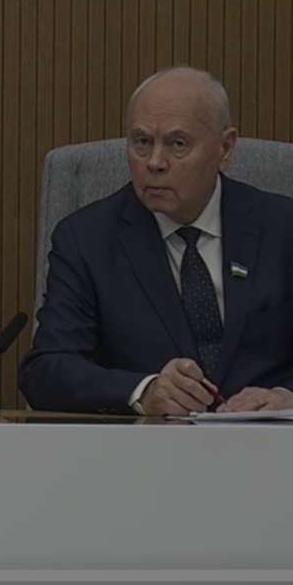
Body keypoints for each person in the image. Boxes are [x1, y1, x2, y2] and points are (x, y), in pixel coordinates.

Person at [19, 66, 293, 416]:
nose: (155, 162)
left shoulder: (283, 228)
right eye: (142, 142)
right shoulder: (87, 240)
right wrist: (142, 391)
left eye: (177, 144)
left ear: (225, 149)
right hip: (146, 445)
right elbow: (46, 371)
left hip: (268, 444)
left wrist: (287, 397)